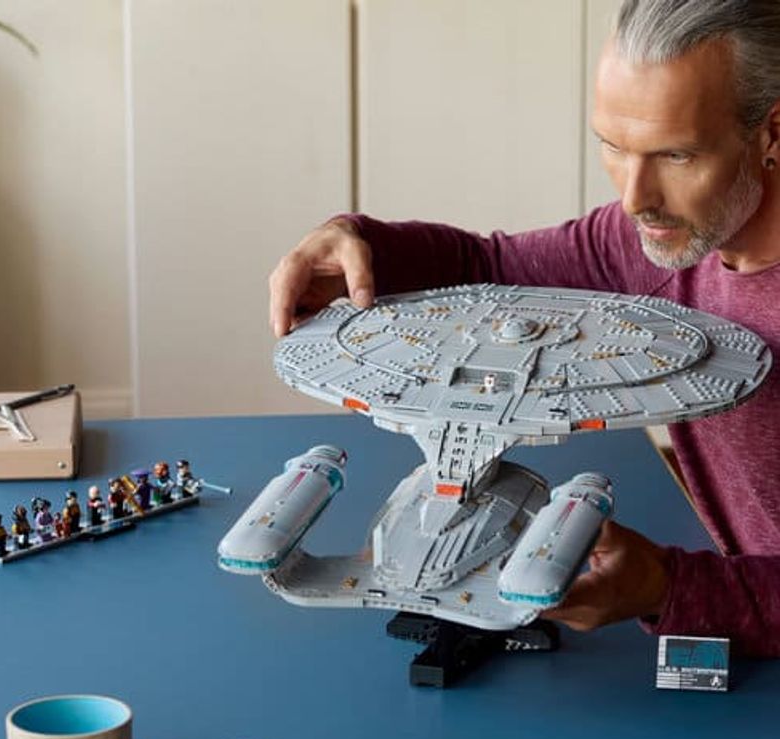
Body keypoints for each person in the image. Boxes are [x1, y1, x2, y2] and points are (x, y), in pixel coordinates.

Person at [268, 0, 780, 657]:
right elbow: (491, 271)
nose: (635, 199)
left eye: (675, 155)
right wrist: (357, 245)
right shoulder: (669, 234)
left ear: (771, 133)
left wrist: (670, 588)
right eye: (614, 147)